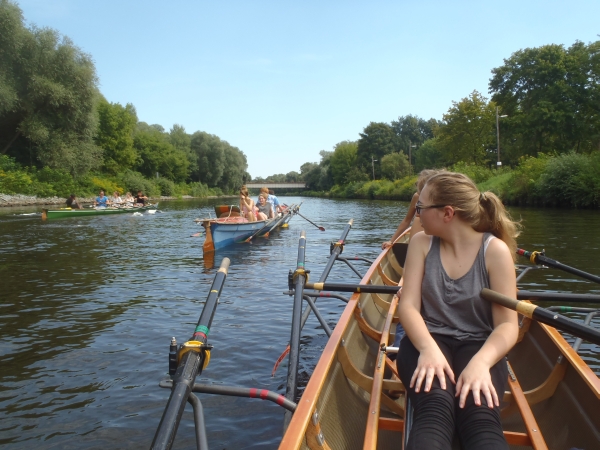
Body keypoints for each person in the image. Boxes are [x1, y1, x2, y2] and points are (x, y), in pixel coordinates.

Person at [396, 171, 520, 450]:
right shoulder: (421, 244)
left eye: (421, 208)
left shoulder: (495, 252)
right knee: (435, 408)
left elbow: (507, 326)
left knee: (480, 414)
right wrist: (428, 349)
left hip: (479, 346)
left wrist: (481, 364)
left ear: (447, 213)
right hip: (425, 341)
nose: (417, 214)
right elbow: (409, 306)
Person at [382, 169, 441, 250]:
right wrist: (391, 241)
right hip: (421, 230)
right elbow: (407, 220)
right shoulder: (417, 196)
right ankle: (414, 251)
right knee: (417, 219)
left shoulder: (441, 199)